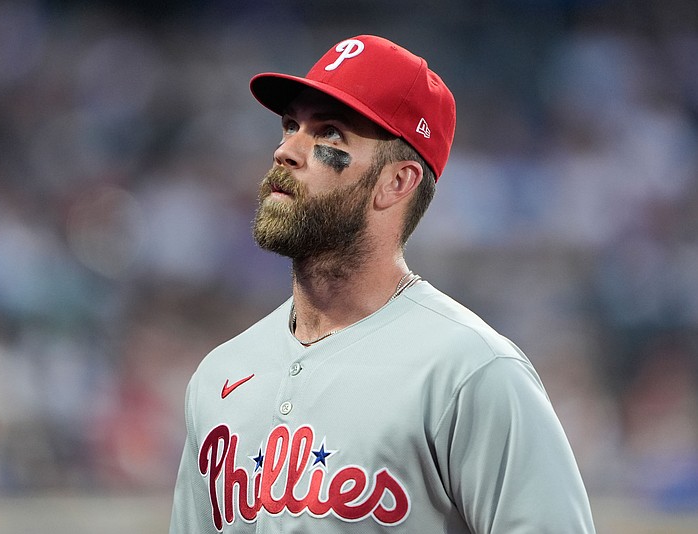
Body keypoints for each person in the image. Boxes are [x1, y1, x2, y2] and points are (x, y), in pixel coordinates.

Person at [169, 34, 595, 533]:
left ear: (398, 182)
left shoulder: (470, 371)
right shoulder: (220, 375)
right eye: (291, 125)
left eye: (328, 134)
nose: (286, 150)